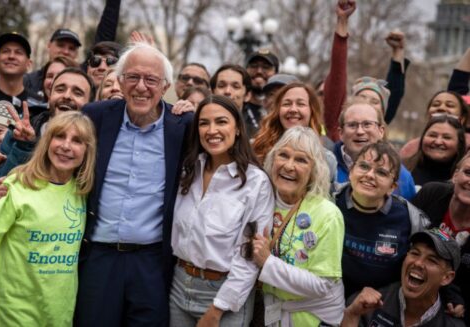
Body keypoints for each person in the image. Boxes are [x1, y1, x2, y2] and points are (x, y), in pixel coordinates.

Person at [75, 42, 193, 326]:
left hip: (151, 262)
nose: (141, 87)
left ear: (165, 87)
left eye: (151, 80)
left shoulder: (183, 125)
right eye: (133, 77)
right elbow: (59, 156)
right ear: (119, 81)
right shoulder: (95, 115)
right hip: (98, 258)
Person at [0, 111, 96, 326]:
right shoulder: (19, 184)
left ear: (87, 150)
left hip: (60, 312)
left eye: (77, 140)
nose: (66, 146)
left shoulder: (82, 192)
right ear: (46, 143)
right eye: (59, 136)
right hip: (17, 312)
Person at [170, 95, 273, 326]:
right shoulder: (189, 170)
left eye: (221, 121)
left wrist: (218, 308)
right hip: (179, 286)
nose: (211, 130)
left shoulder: (256, 183)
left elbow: (249, 257)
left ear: (237, 129)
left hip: (223, 294)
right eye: (204, 123)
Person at [251, 126, 345, 326]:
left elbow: (322, 285)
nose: (289, 166)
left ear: (314, 170)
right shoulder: (259, 201)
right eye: (283, 155)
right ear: (272, 159)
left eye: (301, 160)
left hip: (310, 319)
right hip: (268, 313)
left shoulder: (327, 214)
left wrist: (268, 263)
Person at [334, 141, 429, 298]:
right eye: (364, 166)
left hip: (380, 306)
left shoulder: (411, 219)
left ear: (392, 187)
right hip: (329, 299)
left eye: (381, 173)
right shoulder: (330, 202)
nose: (370, 175)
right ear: (351, 172)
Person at [323, 0, 410, 141]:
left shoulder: (386, 156)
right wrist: (342, 21)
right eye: (361, 97)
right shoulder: (336, 129)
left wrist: (398, 52)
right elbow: (337, 75)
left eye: (375, 101)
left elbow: (395, 92)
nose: (367, 103)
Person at [342, 229, 465, 327]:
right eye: (415, 253)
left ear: (447, 278)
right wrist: (352, 315)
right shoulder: (365, 307)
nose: (418, 263)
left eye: (432, 260)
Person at [412, 152, 470, 325]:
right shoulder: (432, 194)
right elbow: (402, 243)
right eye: (468, 173)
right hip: (410, 288)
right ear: (455, 175)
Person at [252, 82, 337, 182]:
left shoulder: (326, 159)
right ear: (277, 111)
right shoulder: (257, 150)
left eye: (301, 104)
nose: (293, 109)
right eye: (287, 104)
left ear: (312, 111)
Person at [334, 97, 416, 200]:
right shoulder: (324, 165)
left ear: (381, 131)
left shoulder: (401, 176)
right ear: (341, 133)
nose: (360, 131)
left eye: (367, 124)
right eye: (352, 125)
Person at [0, 33, 44, 116]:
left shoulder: (39, 104)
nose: (11, 56)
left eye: (18, 52)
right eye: (5, 51)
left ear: (28, 64)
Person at [400, 90, 469, 159]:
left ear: (462, 118)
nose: (441, 108)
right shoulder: (411, 149)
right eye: (436, 105)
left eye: (449, 105)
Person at [404, 115, 466, 189]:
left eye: (447, 137)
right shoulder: (401, 168)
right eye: (432, 135)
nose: (438, 142)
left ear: (460, 144)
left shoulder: (466, 178)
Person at [23, 28, 81, 97]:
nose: (66, 52)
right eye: (61, 45)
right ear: (49, 45)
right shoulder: (28, 81)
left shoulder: (84, 83)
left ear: (77, 54)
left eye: (71, 48)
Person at [210, 64, 255, 137]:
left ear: (247, 95)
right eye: (221, 86)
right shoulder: (196, 128)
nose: (227, 91)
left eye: (235, 86)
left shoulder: (257, 136)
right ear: (212, 92)